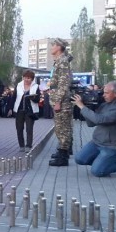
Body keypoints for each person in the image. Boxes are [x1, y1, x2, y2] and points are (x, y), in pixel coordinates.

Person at [72, 81, 116, 177]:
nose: (103, 95)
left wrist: (82, 106)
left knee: (97, 171)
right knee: (79, 159)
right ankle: (102, 162)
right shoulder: (105, 105)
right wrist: (87, 107)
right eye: (103, 92)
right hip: (97, 142)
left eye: (106, 93)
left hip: (113, 146)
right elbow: (91, 123)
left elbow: (100, 120)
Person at [47, 38, 74, 166]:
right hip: (59, 99)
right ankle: (62, 152)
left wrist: (58, 101)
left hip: (61, 101)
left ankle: (63, 157)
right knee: (61, 127)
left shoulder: (62, 61)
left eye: (53, 45)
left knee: (62, 128)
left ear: (59, 47)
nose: (51, 47)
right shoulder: (60, 60)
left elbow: (63, 83)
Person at [13, 70, 40, 151]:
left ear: (32, 79)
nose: (26, 79)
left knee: (29, 129)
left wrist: (32, 98)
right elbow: (13, 97)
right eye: (25, 77)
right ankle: (21, 145)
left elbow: (38, 99)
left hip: (30, 111)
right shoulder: (18, 85)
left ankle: (28, 145)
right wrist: (10, 109)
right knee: (19, 129)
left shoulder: (36, 86)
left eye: (28, 78)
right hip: (19, 110)